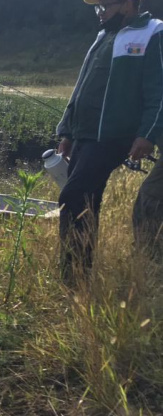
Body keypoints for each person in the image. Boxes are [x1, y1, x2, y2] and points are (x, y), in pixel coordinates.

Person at [56, 0, 163, 284]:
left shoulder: (153, 32)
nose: (100, 13)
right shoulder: (104, 37)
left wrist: (147, 134)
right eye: (97, 8)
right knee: (83, 198)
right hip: (84, 134)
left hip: (113, 136)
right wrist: (66, 130)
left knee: (73, 196)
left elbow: (159, 91)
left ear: (127, 5)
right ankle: (76, 274)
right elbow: (81, 86)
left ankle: (74, 276)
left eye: (105, 7)